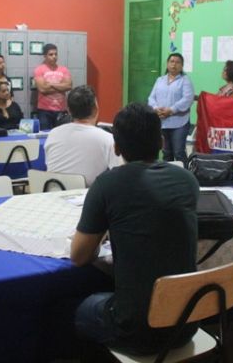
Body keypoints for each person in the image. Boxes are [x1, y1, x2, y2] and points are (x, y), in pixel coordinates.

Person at [70, 103, 200, 355]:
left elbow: (79, 256)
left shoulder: (107, 184)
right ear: (161, 141)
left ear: (116, 147)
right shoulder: (187, 180)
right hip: (187, 322)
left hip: (135, 330)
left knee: (71, 307)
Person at [44, 85, 120, 186]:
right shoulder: (108, 139)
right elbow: (119, 175)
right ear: (96, 109)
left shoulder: (53, 134)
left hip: (51, 192)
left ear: (69, 111)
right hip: (86, 194)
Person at [147, 53, 195, 165]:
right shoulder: (160, 80)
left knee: (179, 152)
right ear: (167, 64)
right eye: (172, 61)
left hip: (179, 123)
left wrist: (171, 110)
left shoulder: (185, 80)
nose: (174, 64)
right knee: (166, 153)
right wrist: (156, 109)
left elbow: (188, 99)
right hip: (162, 121)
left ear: (182, 66)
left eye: (178, 62)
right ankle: (167, 174)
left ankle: (183, 175)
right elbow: (151, 97)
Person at [34, 43, 72, 130]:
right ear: (45, 56)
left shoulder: (64, 70)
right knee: (45, 134)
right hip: (44, 111)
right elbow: (42, 89)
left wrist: (51, 84)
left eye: (56, 54)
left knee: (62, 135)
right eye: (51, 54)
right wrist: (61, 87)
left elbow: (69, 86)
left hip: (61, 110)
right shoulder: (39, 70)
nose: (54, 56)